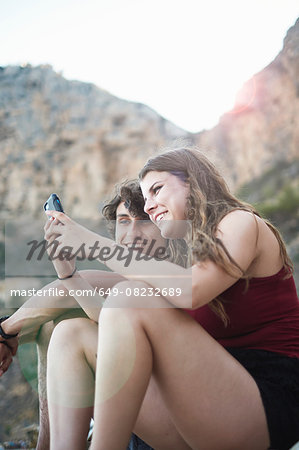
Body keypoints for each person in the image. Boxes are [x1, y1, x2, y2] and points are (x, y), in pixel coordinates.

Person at [45, 146, 299, 450]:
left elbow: (192, 290)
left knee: (130, 295)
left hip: (263, 404)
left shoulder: (241, 222)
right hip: (203, 402)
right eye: (146, 197)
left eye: (156, 190)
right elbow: (114, 326)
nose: (149, 206)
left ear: (191, 182)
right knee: (71, 334)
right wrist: (67, 272)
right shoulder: (184, 256)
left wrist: (91, 243)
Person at [0, 180, 157, 450]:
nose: (132, 232)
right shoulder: (133, 279)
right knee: (54, 324)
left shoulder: (172, 274)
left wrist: (6, 331)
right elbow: (81, 299)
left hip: (166, 416)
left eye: (144, 221)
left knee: (70, 329)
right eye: (123, 220)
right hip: (141, 409)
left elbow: (69, 289)